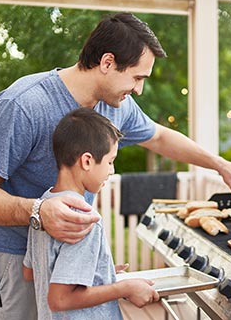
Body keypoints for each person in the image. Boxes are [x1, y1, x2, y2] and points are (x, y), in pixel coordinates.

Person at [0, 12, 231, 319]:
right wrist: (38, 212)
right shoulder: (24, 105)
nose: (139, 89)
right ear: (107, 62)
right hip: (11, 259)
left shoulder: (117, 105)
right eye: (137, 77)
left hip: (61, 262)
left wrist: (220, 165)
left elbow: (159, 137)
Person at [23, 108, 159, 319]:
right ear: (87, 161)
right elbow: (60, 299)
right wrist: (124, 288)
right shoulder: (83, 217)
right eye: (110, 161)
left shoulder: (44, 206)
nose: (112, 170)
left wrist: (101, 272)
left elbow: (31, 272)